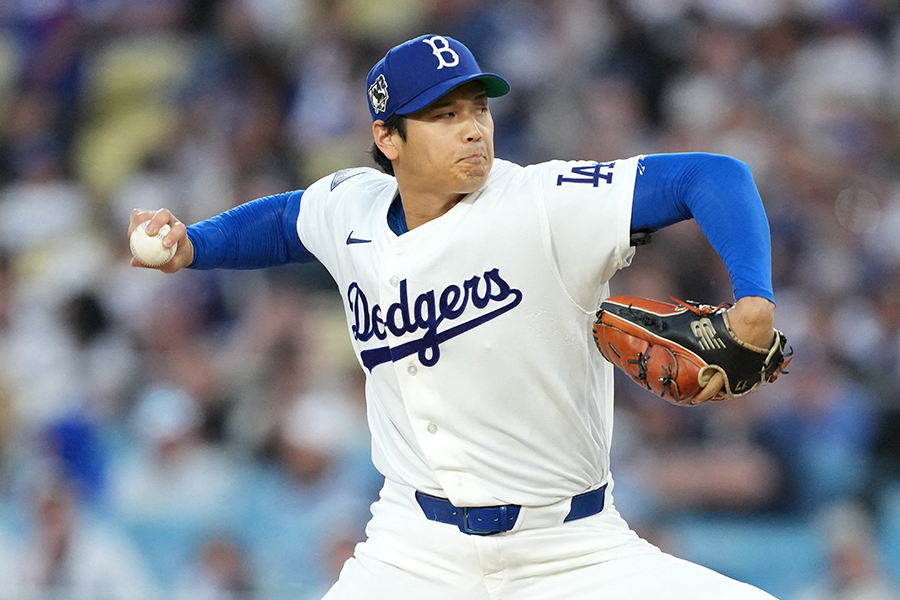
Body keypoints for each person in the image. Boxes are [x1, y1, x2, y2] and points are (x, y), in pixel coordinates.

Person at [128, 34, 780, 599]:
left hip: (572, 550)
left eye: (478, 108)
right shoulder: (349, 206)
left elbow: (713, 175)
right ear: (387, 138)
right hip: (413, 550)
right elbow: (284, 222)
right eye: (444, 115)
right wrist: (193, 245)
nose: (472, 128)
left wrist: (753, 299)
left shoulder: (543, 202)